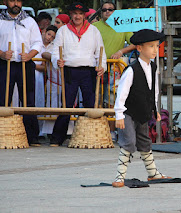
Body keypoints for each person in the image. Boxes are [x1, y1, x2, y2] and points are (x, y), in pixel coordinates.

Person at [112, 29, 171, 187]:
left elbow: (154, 91)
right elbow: (121, 94)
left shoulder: (153, 67)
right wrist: (118, 115)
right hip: (127, 112)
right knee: (129, 142)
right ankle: (119, 176)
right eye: (151, 46)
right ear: (139, 48)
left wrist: (155, 109)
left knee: (145, 141)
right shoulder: (131, 70)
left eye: (156, 46)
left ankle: (152, 173)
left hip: (143, 112)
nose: (154, 50)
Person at [50, 2, 106, 146]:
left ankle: (92, 136)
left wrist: (102, 66)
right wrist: (57, 61)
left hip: (88, 71)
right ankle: (57, 138)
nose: (77, 16)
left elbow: (101, 52)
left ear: (84, 15)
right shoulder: (63, 31)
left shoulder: (93, 30)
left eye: (80, 14)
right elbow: (55, 51)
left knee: (90, 104)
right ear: (70, 15)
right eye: (75, 13)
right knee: (67, 104)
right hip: (70, 70)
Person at [0, 0, 42, 146]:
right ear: (5, 2)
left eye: (18, 0)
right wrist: (1, 53)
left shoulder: (29, 21)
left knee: (28, 100)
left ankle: (32, 136)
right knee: (3, 98)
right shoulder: (0, 20)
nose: (16, 4)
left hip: (25, 64)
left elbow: (38, 42)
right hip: (5, 64)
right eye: (12, 1)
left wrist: (30, 55)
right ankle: (2, 134)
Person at [93, 1, 135, 106]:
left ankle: (112, 122)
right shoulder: (94, 27)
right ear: (101, 13)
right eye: (104, 10)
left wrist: (121, 51)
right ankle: (97, 122)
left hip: (114, 68)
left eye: (110, 9)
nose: (107, 12)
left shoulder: (123, 25)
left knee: (112, 100)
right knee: (96, 99)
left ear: (115, 12)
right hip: (97, 67)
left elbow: (135, 43)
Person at [34, 25, 57, 140]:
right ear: (44, 32)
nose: (49, 38)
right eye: (48, 34)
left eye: (52, 37)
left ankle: (42, 131)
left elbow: (45, 67)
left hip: (45, 78)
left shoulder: (53, 48)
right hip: (35, 77)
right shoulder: (35, 43)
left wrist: (32, 65)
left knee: (42, 102)